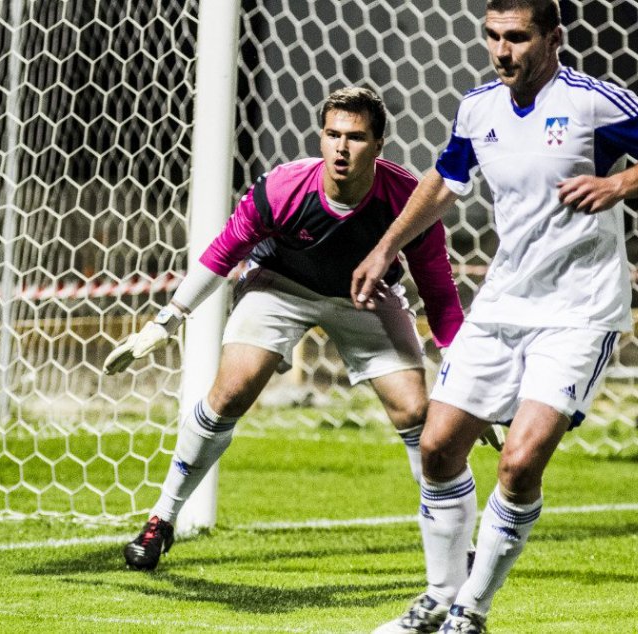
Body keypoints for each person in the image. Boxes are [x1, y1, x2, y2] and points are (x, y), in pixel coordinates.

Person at [353, 1, 638, 632]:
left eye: (516, 38)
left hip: (579, 313)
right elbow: (444, 179)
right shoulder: (478, 106)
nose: (502, 50)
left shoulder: (592, 103)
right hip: (503, 305)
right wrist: (385, 247)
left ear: (551, 37)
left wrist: (619, 185)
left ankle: (471, 612)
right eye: (492, 37)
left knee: (519, 461)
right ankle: (438, 597)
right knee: (436, 448)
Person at [104, 87, 466, 571]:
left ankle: (452, 549)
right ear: (320, 137)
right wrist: (169, 320)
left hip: (366, 298)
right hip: (280, 286)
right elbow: (223, 252)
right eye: (332, 134)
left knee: (417, 413)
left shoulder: (408, 199)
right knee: (231, 392)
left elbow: (439, 290)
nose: (341, 147)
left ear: (379, 146)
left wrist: (465, 374)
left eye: (356, 137)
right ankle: (162, 519)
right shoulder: (281, 188)